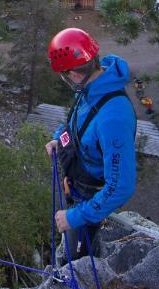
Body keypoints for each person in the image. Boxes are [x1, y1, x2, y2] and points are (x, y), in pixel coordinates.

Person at [45, 28, 137, 262]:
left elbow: (120, 186)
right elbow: (76, 121)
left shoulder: (113, 117)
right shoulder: (91, 89)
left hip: (90, 199)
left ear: (74, 75)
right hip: (77, 186)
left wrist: (75, 217)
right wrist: (59, 139)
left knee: (76, 261)